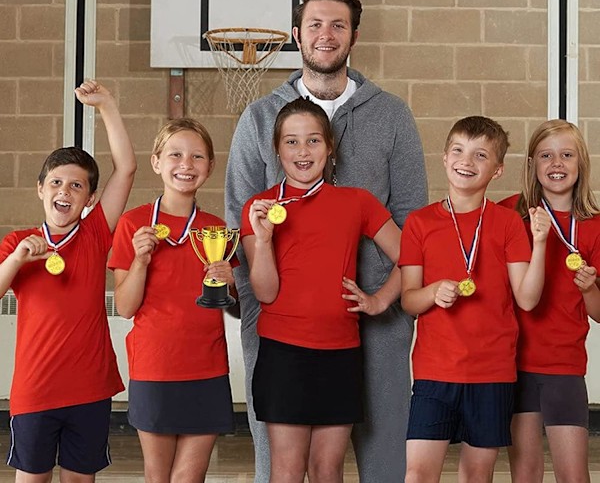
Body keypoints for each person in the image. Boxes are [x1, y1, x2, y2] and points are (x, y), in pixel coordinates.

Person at [225, 0, 427, 482]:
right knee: (281, 461)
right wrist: (251, 303)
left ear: (354, 35)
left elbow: (412, 224)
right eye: (315, 24)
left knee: (380, 458)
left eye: (339, 25)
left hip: (373, 317)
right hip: (282, 322)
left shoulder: (392, 115)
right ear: (297, 34)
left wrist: (386, 298)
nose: (326, 34)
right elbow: (238, 222)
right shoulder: (260, 116)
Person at [240, 98, 403, 482]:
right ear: (276, 149)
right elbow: (265, 293)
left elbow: (411, 257)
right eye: (291, 142)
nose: (303, 151)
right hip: (283, 355)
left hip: (340, 353)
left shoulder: (357, 201)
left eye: (313, 140)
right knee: (287, 469)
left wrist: (380, 300)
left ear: (330, 147)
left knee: (327, 469)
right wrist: (263, 241)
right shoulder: (259, 208)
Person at [398, 116, 551, 482]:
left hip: (492, 371)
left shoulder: (508, 223)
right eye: (458, 150)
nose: (466, 161)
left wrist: (541, 242)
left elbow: (527, 299)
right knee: (418, 473)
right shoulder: (419, 223)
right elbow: (408, 300)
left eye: (480, 155)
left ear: (497, 170)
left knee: (477, 475)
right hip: (435, 371)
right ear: (444, 158)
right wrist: (433, 292)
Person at [0, 80, 136, 483]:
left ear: (90, 199)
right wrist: (17, 258)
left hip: (89, 389)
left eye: (77, 185)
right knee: (33, 478)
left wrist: (107, 106)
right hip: (35, 389)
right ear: (41, 189)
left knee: (80, 479)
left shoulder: (95, 233)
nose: (65, 191)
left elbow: (126, 168)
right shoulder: (18, 242)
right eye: (56, 182)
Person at [109, 118, 236, 483]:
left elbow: (238, 309)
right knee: (158, 476)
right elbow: (125, 307)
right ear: (156, 162)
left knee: (190, 477)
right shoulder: (133, 224)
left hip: (207, 368)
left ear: (210, 166)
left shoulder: (217, 229)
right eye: (175, 154)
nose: (186, 164)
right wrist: (140, 261)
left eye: (197, 156)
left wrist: (231, 286)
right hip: (155, 367)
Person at [499, 120, 600, 483]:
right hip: (512, 362)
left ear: (581, 163)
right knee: (525, 474)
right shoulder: (509, 213)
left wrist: (589, 288)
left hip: (564, 364)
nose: (556, 163)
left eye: (566, 155)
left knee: (573, 475)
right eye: (546, 156)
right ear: (532, 164)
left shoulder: (594, 225)